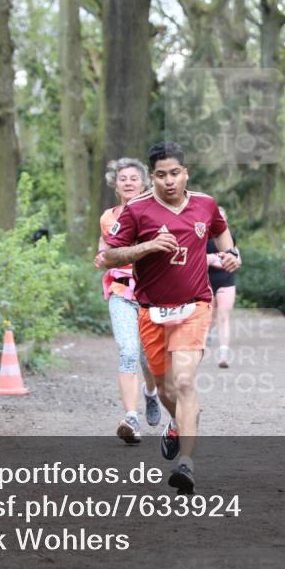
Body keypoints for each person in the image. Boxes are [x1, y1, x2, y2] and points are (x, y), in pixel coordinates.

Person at [103, 141, 239, 494]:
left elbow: (221, 231)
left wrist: (231, 254)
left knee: (183, 383)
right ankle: (180, 421)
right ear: (152, 177)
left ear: (186, 173)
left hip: (194, 305)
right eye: (161, 175)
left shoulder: (205, 204)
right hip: (151, 311)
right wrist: (147, 247)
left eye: (175, 173)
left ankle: (186, 464)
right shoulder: (136, 210)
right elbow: (109, 257)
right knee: (165, 388)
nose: (168, 181)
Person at [94, 158, 162, 445]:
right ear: (115, 183)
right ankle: (131, 417)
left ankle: (150, 393)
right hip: (121, 293)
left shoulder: (156, 214)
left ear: (144, 182)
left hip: (151, 294)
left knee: (149, 359)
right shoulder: (108, 217)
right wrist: (101, 255)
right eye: (123, 178)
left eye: (134, 178)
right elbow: (105, 247)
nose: (129, 182)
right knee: (128, 350)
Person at [206, 207, 239, 368]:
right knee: (210, 317)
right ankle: (208, 335)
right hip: (208, 280)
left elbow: (238, 258)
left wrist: (236, 261)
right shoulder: (204, 237)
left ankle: (223, 354)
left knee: (223, 315)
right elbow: (196, 259)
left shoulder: (230, 237)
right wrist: (211, 258)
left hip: (226, 280)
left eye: (223, 217)